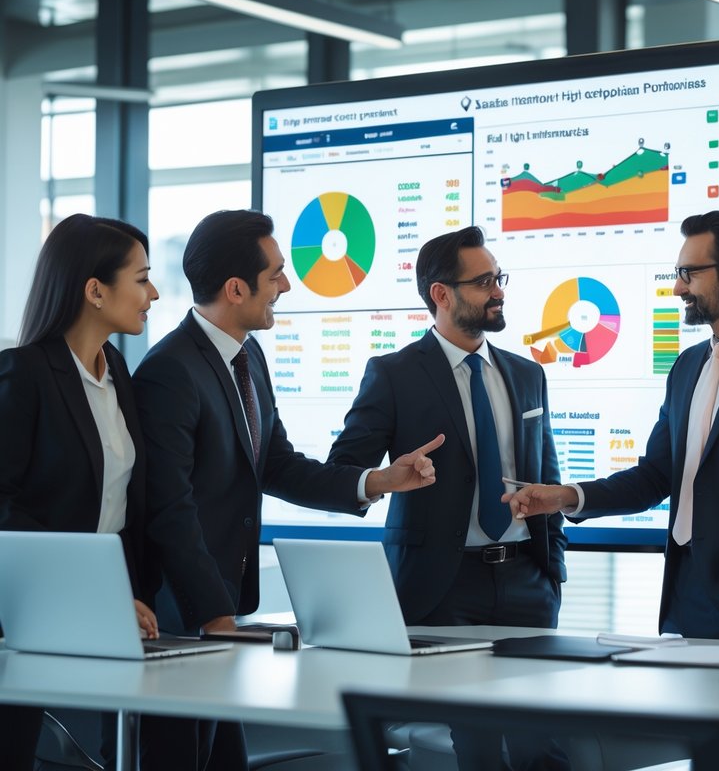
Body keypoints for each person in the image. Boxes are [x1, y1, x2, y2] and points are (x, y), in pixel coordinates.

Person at [134, 209, 442, 771]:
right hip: (183, 618)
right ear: (236, 288)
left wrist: (376, 480)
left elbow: (275, 465)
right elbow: (170, 509)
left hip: (219, 617)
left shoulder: (246, 355)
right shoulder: (170, 371)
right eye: (275, 274)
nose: (286, 285)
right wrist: (214, 614)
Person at [505, 211, 719, 640]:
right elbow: (655, 476)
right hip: (681, 592)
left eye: (689, 274)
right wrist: (567, 496)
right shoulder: (687, 366)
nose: (678, 288)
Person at [329, 225, 566, 627]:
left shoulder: (528, 375)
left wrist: (552, 570)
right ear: (441, 295)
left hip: (528, 584)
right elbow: (341, 470)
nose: (499, 292)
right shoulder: (394, 375)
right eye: (484, 282)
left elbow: (548, 479)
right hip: (434, 588)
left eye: (499, 278)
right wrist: (384, 479)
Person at [0, 214, 160, 771]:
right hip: (23, 614)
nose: (153, 294)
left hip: (99, 614)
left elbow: (118, 506)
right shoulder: (22, 373)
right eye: (142, 279)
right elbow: (3, 506)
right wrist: (95, 590)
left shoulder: (116, 370)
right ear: (95, 290)